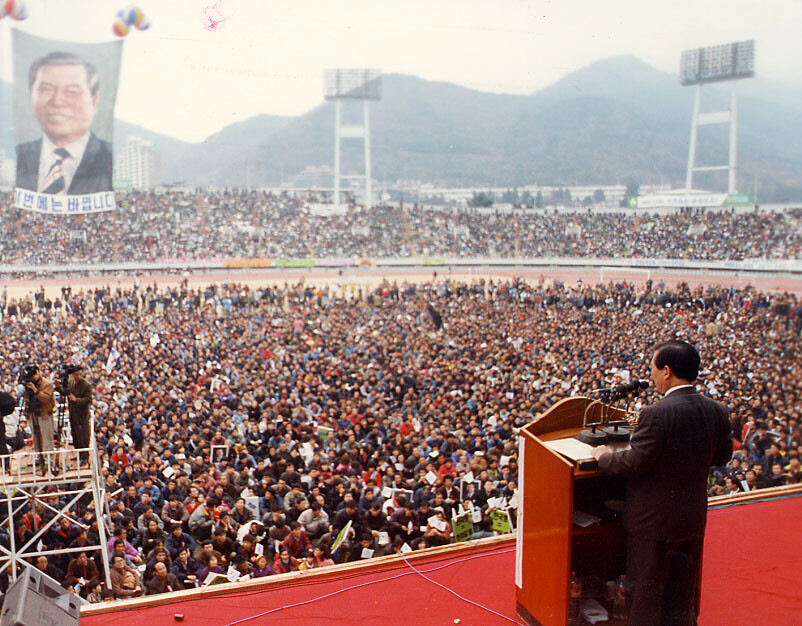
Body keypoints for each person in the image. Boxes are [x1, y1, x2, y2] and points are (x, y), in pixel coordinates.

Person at [591, 340, 732, 626]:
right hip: (691, 518)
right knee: (681, 596)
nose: (651, 376)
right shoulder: (717, 409)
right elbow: (722, 456)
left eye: (653, 369)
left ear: (666, 371)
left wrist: (603, 456)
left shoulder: (657, 413)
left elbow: (634, 462)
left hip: (653, 523)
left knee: (646, 597)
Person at [16, 51, 113, 194]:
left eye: (72, 92)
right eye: (46, 90)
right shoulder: (17, 156)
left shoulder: (112, 159)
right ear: (32, 96)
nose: (57, 101)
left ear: (93, 101)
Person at [24, 365, 56, 469]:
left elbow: (46, 399)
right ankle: (39, 456)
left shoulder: (47, 384)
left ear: (38, 372)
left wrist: (35, 390)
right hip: (33, 413)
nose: (32, 377)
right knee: (36, 438)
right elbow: (26, 399)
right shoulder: (28, 384)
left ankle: (50, 461)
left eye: (33, 374)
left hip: (44, 413)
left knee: (47, 438)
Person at [67, 364, 92, 463]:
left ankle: (85, 457)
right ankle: (78, 454)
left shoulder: (86, 385)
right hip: (73, 414)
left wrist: (76, 399)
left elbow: (88, 399)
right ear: (72, 375)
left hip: (82, 415)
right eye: (76, 374)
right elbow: (65, 391)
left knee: (83, 437)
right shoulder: (70, 382)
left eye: (80, 374)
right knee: (76, 436)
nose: (78, 377)